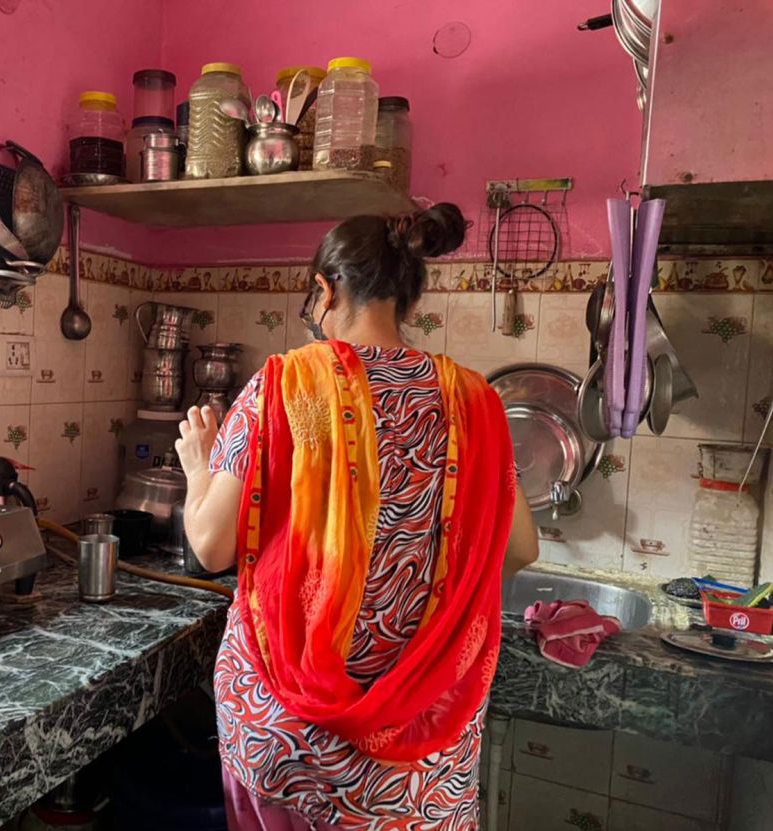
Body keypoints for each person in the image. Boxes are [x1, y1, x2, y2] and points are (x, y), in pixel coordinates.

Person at [174, 204, 539, 831]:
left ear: (325, 288)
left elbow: (211, 547)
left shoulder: (284, 385)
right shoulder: (474, 402)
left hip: (287, 741)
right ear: (408, 294)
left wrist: (198, 467)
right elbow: (521, 548)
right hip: (419, 762)